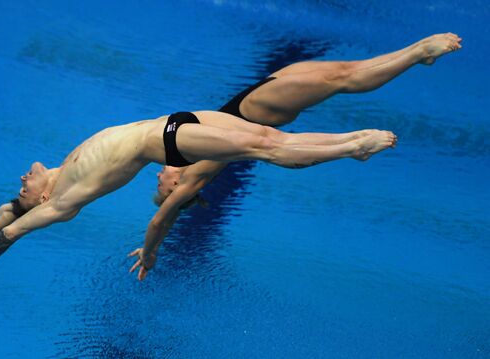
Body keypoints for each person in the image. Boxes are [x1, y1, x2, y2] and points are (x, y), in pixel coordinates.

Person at [136, 33, 462, 280]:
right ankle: (420, 52)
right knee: (343, 79)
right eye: (161, 185)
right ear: (174, 185)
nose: (157, 175)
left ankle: (418, 55)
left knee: (346, 71)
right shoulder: (192, 176)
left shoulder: (188, 152)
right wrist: (150, 254)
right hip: (261, 106)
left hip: (263, 91)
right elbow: (159, 220)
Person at [0, 109, 397, 288]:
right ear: (42, 199)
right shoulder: (63, 200)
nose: (22, 178)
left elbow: (4, 212)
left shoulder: (63, 168)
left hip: (174, 119)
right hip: (165, 140)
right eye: (24, 188)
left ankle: (350, 140)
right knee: (261, 148)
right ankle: (352, 149)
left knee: (268, 135)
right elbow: (12, 225)